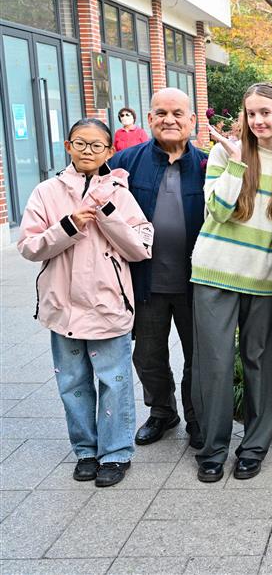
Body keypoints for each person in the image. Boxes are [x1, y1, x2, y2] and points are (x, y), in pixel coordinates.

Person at [18, 118, 153, 487]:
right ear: (68, 146)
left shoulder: (119, 192)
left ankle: (116, 453)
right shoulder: (46, 192)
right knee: (73, 383)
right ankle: (86, 451)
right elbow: (29, 246)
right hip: (62, 306)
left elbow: (141, 247)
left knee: (115, 381)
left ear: (109, 151)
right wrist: (68, 225)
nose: (88, 151)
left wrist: (107, 215)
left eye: (97, 146)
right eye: (81, 143)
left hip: (108, 303)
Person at [190, 82, 272, 483]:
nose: (257, 120)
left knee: (261, 364)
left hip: (263, 278)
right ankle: (212, 450)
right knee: (215, 366)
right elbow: (218, 211)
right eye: (251, 113)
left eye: (265, 112)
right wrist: (237, 163)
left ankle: (253, 449)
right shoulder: (225, 152)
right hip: (214, 273)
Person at [109, 88, 206, 450]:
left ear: (191, 121)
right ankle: (162, 411)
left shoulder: (208, 166)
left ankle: (197, 416)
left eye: (178, 113)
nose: (169, 120)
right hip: (145, 281)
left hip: (197, 282)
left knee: (198, 355)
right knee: (148, 355)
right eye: (161, 113)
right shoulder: (126, 162)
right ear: (149, 119)